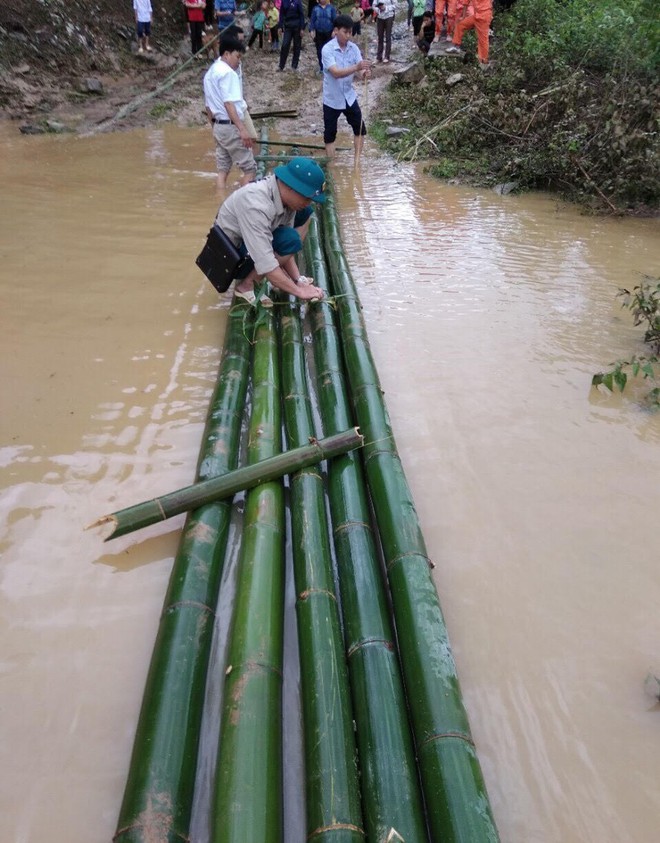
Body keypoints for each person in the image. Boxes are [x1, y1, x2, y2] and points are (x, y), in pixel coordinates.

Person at [214, 157, 326, 303]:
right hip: (229, 262)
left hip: (249, 249)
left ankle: (277, 278)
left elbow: (286, 245)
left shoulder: (285, 198)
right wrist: (300, 292)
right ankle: (246, 286)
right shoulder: (255, 203)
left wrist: (297, 280)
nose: (308, 203)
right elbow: (265, 261)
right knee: (290, 238)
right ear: (291, 187)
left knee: (302, 218)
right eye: (306, 198)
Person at [203, 37, 256, 189]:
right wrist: (242, 129)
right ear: (226, 54)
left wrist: (214, 127)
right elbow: (229, 103)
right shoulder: (228, 73)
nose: (239, 61)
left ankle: (220, 201)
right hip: (230, 125)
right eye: (237, 56)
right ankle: (244, 205)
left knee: (223, 169)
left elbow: (208, 107)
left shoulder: (210, 73)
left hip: (219, 126)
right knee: (250, 169)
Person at [321, 15, 372, 163]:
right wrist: (357, 67)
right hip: (332, 98)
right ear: (336, 31)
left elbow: (360, 70)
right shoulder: (327, 49)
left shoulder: (353, 48)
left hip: (349, 96)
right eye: (346, 32)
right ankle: (331, 165)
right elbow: (336, 73)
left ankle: (357, 162)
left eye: (351, 32)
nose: (349, 36)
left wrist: (364, 73)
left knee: (360, 128)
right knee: (330, 134)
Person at [447, 0, 492, 65]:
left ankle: (484, 60)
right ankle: (456, 46)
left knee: (483, 39)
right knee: (460, 25)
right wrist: (463, 17)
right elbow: (465, 3)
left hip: (484, 16)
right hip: (476, 15)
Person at [309, 0, 337, 73]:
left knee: (329, 51)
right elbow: (312, 20)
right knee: (319, 51)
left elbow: (335, 21)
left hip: (329, 33)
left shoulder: (331, 8)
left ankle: (330, 68)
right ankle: (322, 68)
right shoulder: (315, 8)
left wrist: (334, 31)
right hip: (318, 33)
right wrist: (311, 30)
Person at [278, 0, 306, 71]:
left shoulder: (297, 2)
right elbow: (281, 14)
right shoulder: (284, 2)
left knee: (297, 46)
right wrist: (280, 26)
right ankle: (281, 66)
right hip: (288, 27)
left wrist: (302, 28)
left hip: (297, 27)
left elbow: (301, 15)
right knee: (285, 45)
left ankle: (294, 66)